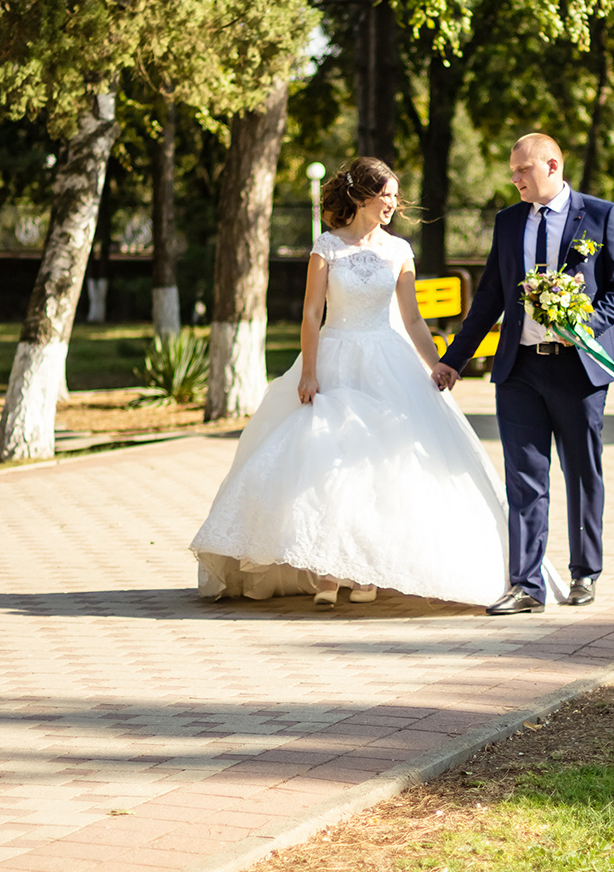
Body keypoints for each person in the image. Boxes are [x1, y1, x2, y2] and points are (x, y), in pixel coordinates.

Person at [192, 157, 508, 608]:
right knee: (324, 460)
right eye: (387, 196)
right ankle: (326, 572)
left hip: (386, 361)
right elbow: (309, 313)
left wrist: (437, 363)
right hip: (335, 355)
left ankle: (365, 572)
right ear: (362, 197)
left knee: (373, 466)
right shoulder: (327, 246)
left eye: (397, 197)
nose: (393, 205)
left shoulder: (399, 251)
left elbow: (412, 317)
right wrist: (308, 371)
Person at [433, 133, 614, 615]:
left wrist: (583, 325)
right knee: (524, 478)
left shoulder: (602, 214)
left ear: (551, 165)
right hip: (519, 367)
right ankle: (526, 585)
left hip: (579, 368)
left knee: (582, 472)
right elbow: (489, 296)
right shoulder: (508, 223)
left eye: (523, 170)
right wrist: (454, 359)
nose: (515, 178)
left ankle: (585, 574)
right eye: (513, 171)